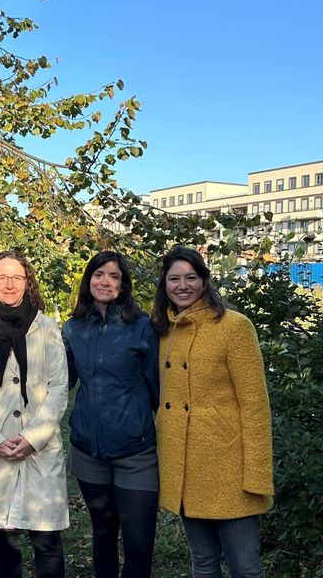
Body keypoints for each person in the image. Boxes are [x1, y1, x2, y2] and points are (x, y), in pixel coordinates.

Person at [152, 245, 274, 578]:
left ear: (205, 281)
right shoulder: (162, 331)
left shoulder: (235, 326)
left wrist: (257, 474)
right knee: (203, 561)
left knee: (244, 566)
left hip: (229, 470)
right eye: (174, 278)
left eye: (191, 277)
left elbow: (255, 405)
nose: (182, 285)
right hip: (184, 468)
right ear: (165, 284)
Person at [0, 250, 68, 578]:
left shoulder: (46, 329)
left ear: (27, 282)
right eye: (2, 277)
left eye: (16, 277)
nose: (9, 284)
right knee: (5, 541)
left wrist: (33, 438)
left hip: (39, 450)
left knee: (47, 541)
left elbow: (59, 388)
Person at [62, 250, 159, 578]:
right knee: (103, 531)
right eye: (99, 274)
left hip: (136, 452)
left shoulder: (141, 327)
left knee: (138, 543)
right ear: (88, 281)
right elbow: (62, 382)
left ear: (123, 284)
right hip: (88, 451)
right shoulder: (73, 328)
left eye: (114, 276)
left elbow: (158, 389)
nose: (105, 281)